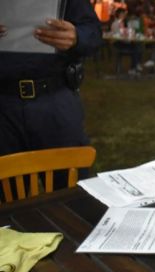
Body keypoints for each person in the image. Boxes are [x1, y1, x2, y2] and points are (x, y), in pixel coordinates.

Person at [0, 0, 102, 189]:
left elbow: (93, 33)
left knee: (71, 191)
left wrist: (77, 37)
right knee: (8, 199)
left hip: (54, 101)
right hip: (4, 107)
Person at [111, 7, 143, 74]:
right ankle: (135, 66)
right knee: (136, 48)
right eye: (123, 14)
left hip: (125, 42)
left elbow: (129, 31)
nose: (125, 15)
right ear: (119, 14)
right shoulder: (116, 23)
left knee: (138, 46)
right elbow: (119, 34)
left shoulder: (124, 22)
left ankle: (135, 66)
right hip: (119, 43)